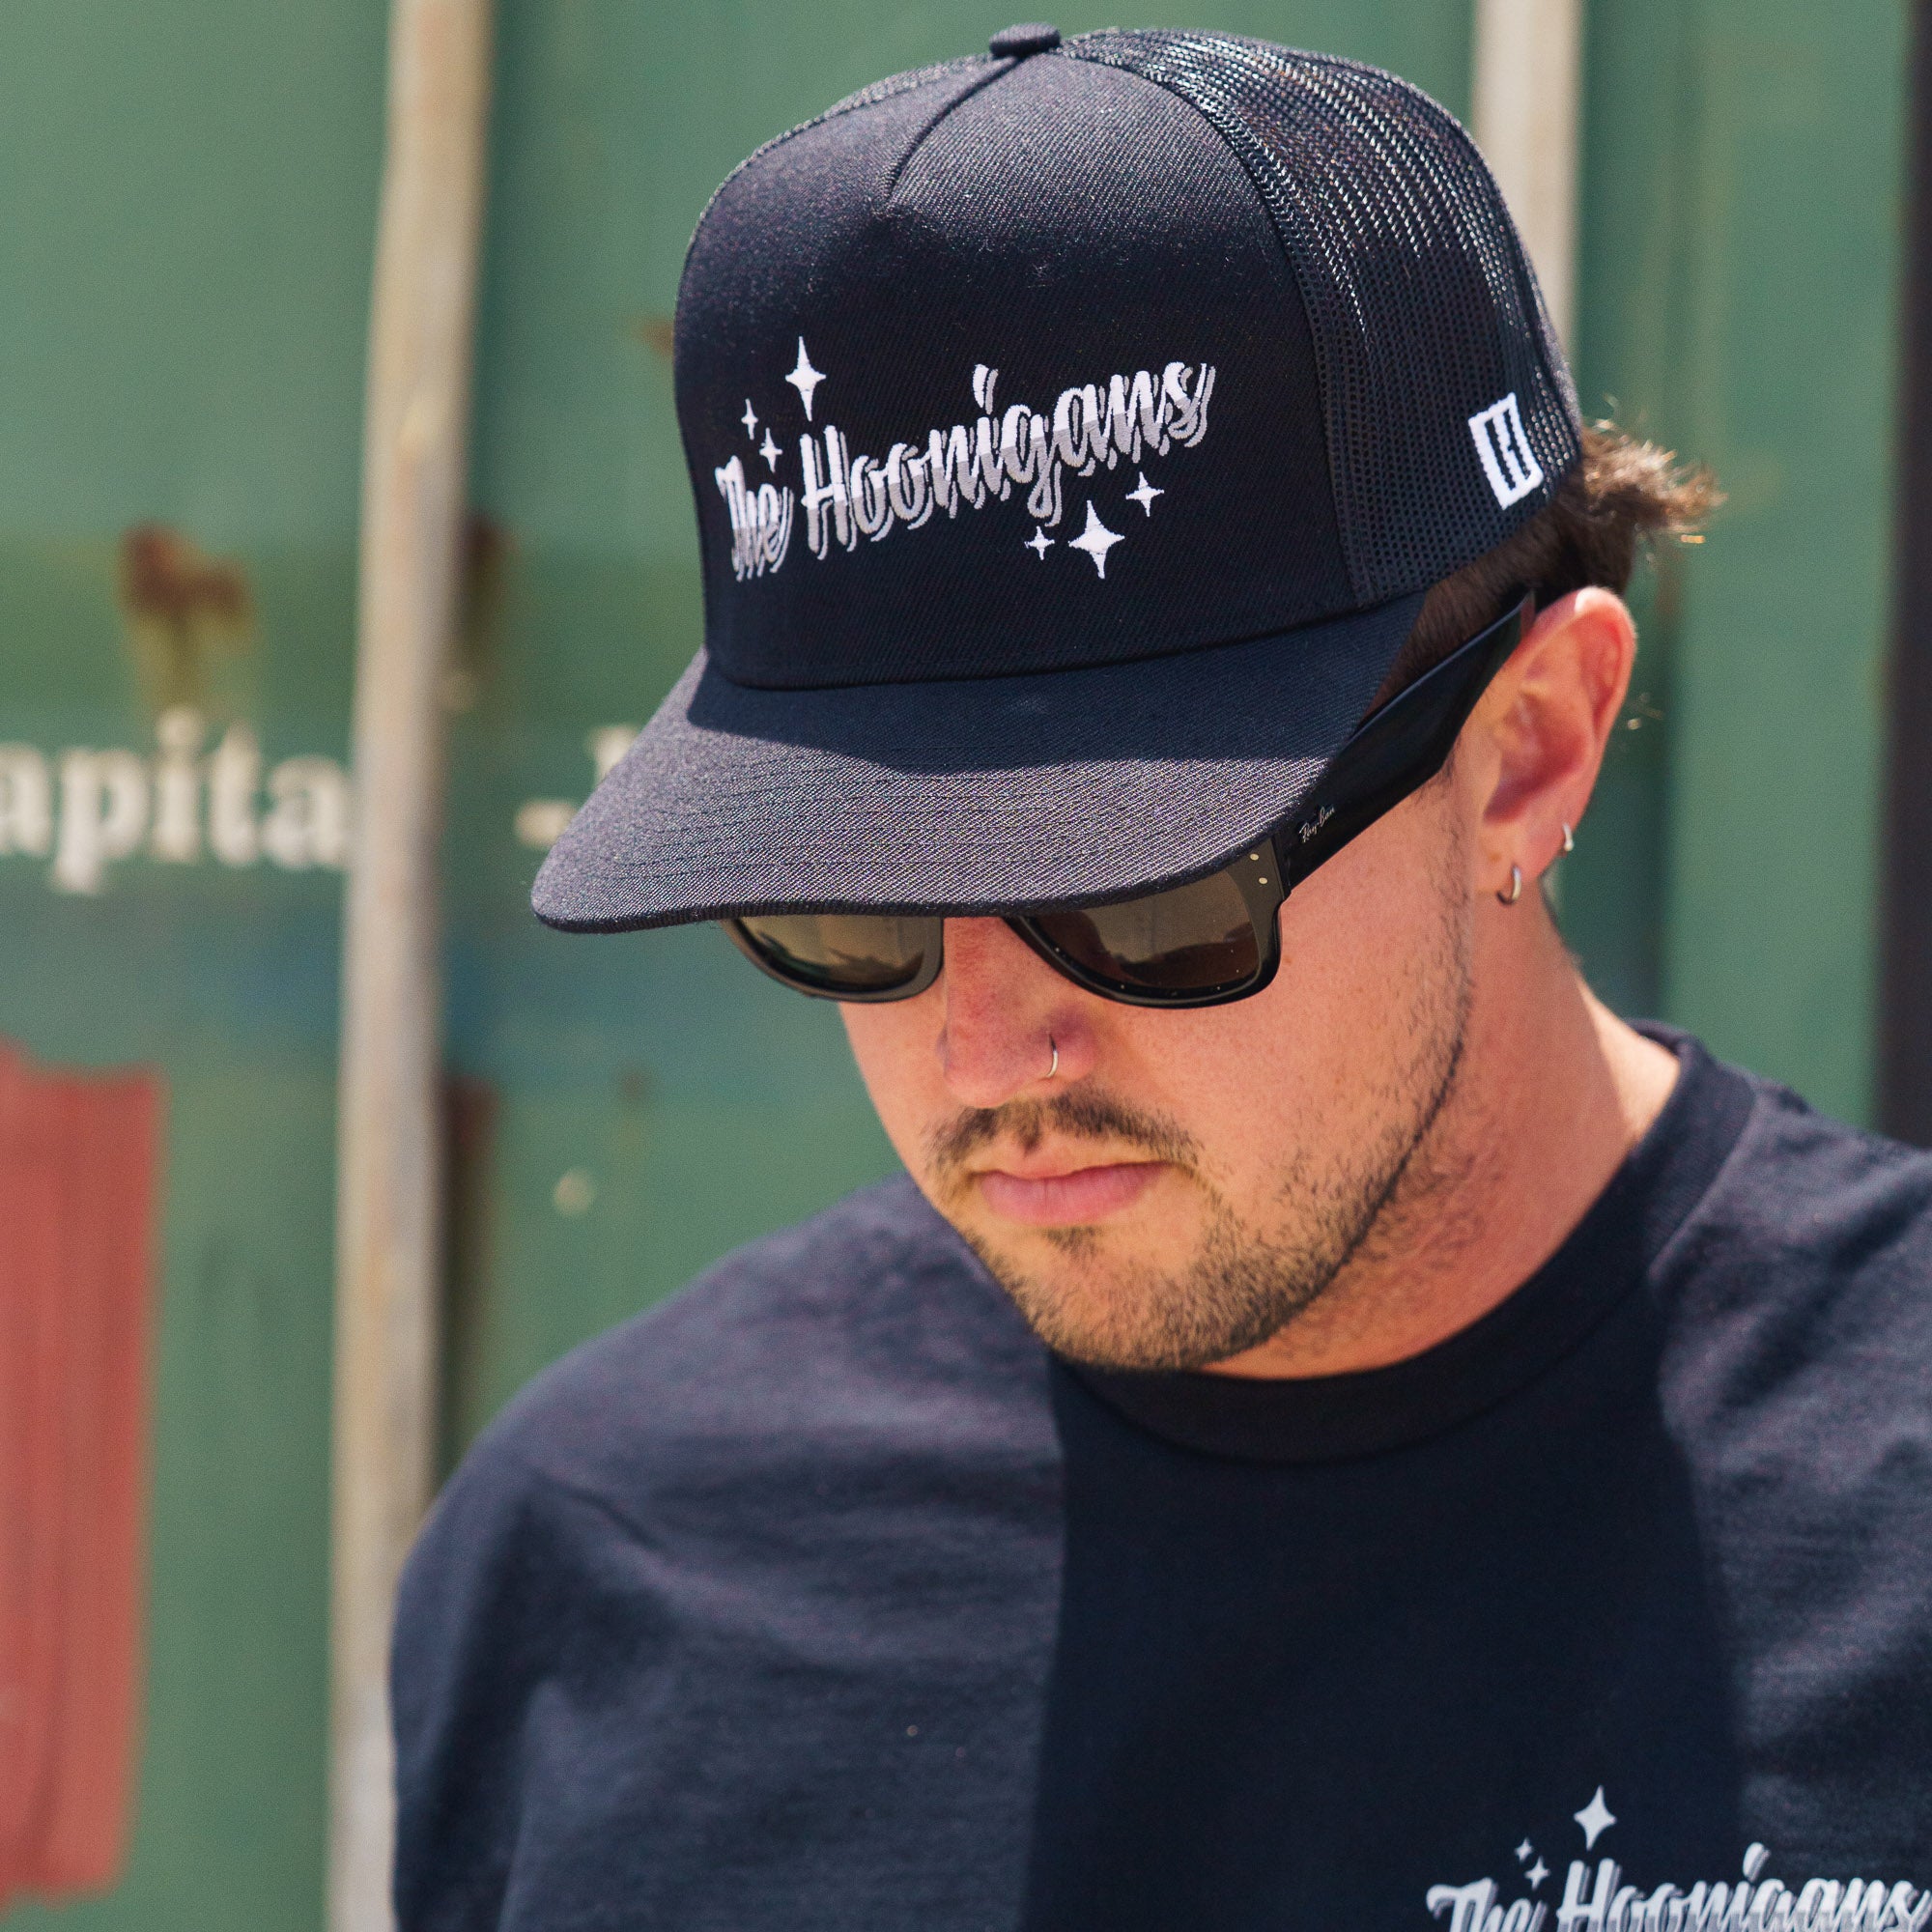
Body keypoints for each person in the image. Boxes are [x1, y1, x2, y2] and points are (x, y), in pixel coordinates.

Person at [392, 25, 1932, 1931]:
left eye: (1139, 888)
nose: (985, 1043)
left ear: (1528, 748)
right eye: (849, 905)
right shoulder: (604, 1562)